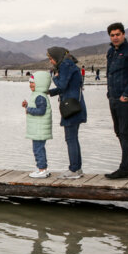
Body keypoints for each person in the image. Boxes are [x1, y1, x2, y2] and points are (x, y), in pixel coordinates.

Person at [105, 22, 128, 179]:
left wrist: (126, 94)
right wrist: (109, 94)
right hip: (113, 98)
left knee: (125, 133)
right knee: (119, 132)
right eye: (112, 35)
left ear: (123, 34)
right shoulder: (110, 52)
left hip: (126, 99)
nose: (115, 37)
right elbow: (109, 73)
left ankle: (125, 167)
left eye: (117, 34)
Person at [47, 47, 86, 179]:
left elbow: (62, 85)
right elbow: (66, 86)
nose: (51, 62)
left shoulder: (65, 65)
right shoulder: (69, 64)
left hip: (71, 108)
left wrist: (54, 77)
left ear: (57, 56)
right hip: (75, 105)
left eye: (51, 58)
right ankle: (78, 168)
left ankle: (73, 169)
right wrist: (50, 92)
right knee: (73, 138)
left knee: (70, 138)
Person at [21, 71, 52, 179]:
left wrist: (29, 109)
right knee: (39, 148)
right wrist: (27, 106)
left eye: (33, 82)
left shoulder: (40, 96)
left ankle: (42, 169)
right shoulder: (38, 95)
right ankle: (43, 168)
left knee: (38, 149)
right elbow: (37, 108)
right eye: (30, 83)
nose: (30, 85)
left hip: (39, 129)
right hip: (38, 128)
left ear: (41, 83)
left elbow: (41, 111)